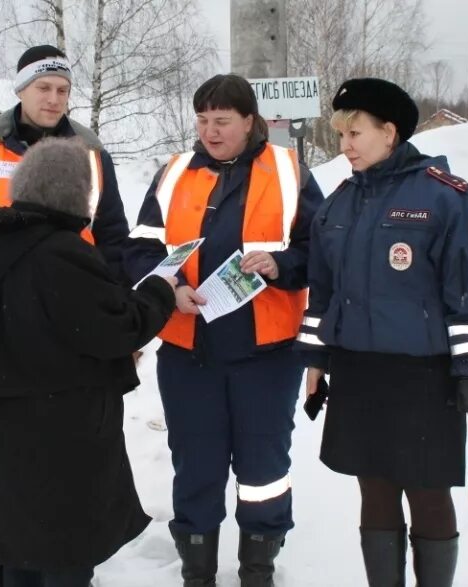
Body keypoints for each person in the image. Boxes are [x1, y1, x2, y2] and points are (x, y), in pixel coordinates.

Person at [295, 78, 468, 587]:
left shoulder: (445, 198)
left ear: (389, 132)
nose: (344, 145)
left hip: (423, 375)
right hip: (359, 371)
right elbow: (322, 293)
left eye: (355, 133)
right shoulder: (338, 204)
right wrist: (316, 362)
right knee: (374, 489)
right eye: (342, 134)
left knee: (428, 492)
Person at [0, 44, 131, 586]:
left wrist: (119, 318)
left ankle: (63, 560)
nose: (54, 99)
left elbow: (113, 240)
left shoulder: (90, 151)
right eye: (44, 88)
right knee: (8, 465)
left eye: (63, 90)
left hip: (74, 330)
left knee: (71, 461)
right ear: (20, 91)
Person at [124, 74, 324, 586]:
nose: (211, 132)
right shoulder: (173, 174)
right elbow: (140, 248)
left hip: (267, 352)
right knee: (196, 464)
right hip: (189, 352)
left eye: (223, 121)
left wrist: (281, 264)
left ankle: (259, 565)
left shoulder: (287, 170)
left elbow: (322, 251)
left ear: (250, 122)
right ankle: (197, 569)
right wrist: (168, 289)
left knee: (263, 467)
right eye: (203, 120)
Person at [0, 137, 176, 587]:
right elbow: (114, 328)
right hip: (55, 439)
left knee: (17, 552)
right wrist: (162, 292)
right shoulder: (61, 252)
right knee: (63, 556)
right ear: (76, 196)